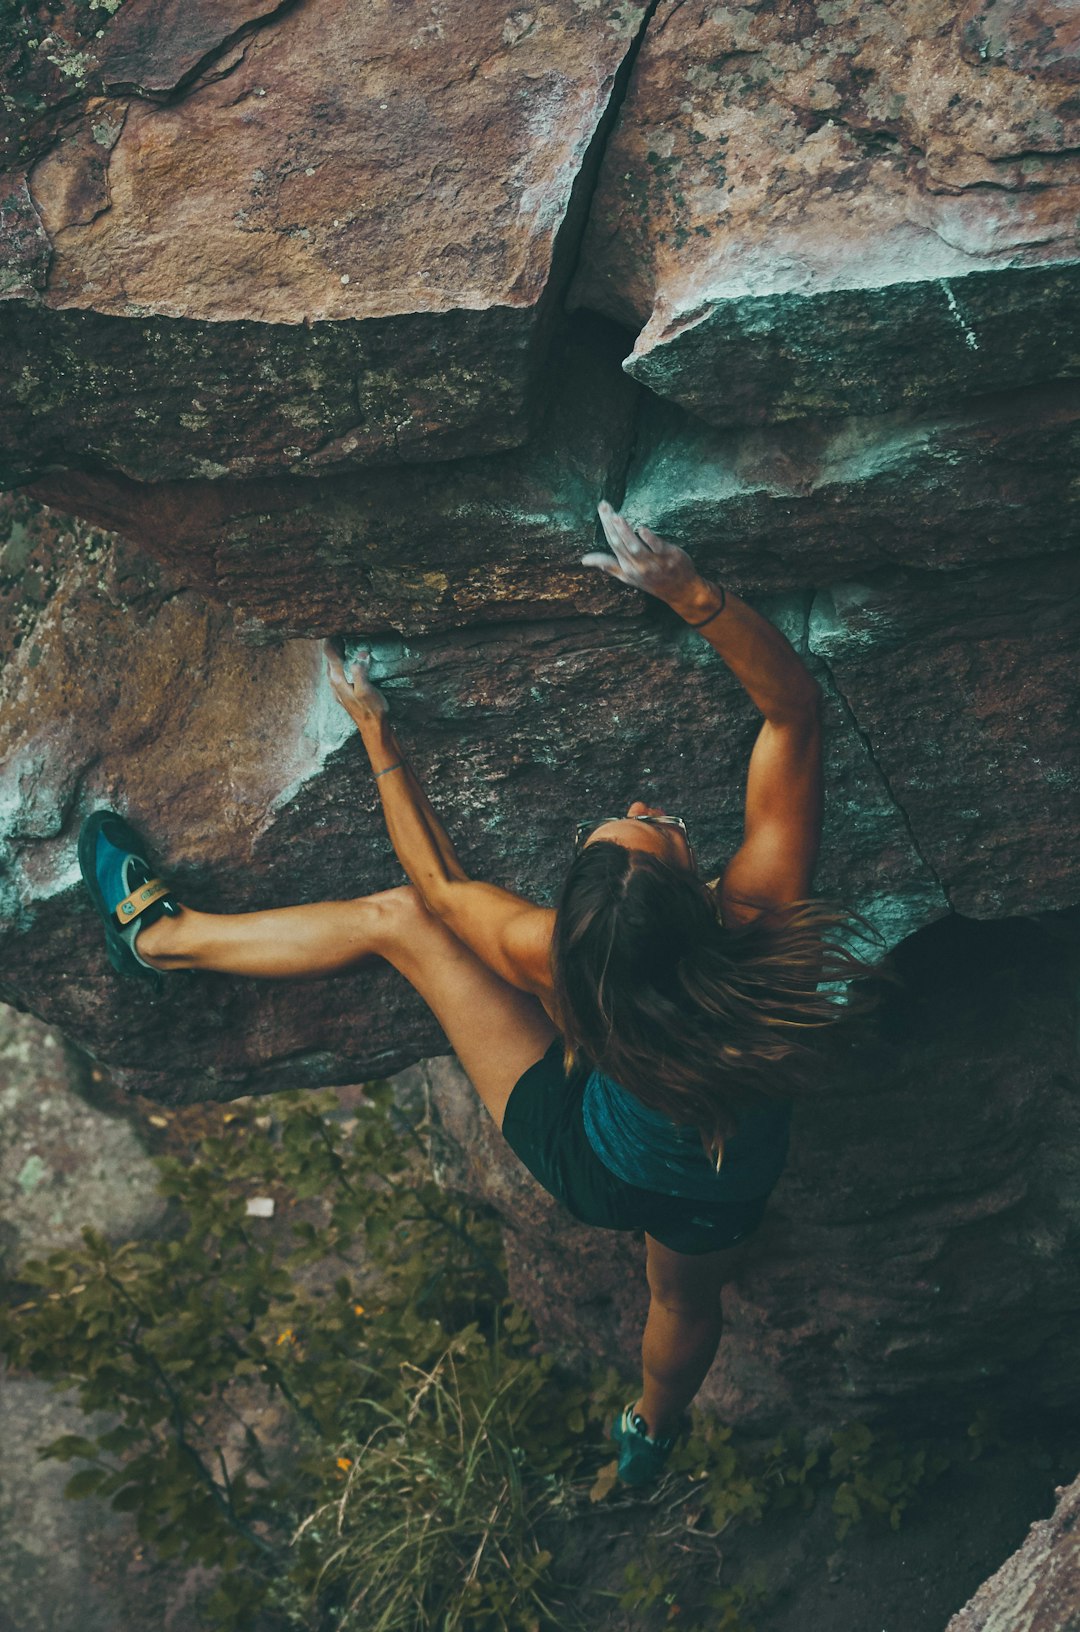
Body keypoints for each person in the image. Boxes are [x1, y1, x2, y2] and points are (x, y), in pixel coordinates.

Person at [80, 502, 851, 1487]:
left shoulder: (555, 959)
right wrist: (689, 592)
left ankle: (163, 939)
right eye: (650, 826)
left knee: (400, 922)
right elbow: (794, 713)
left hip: (590, 1154)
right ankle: (650, 1436)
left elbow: (437, 892)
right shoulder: (765, 926)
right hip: (711, 1179)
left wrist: (373, 731)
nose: (642, 807)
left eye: (636, 826)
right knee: (686, 1302)